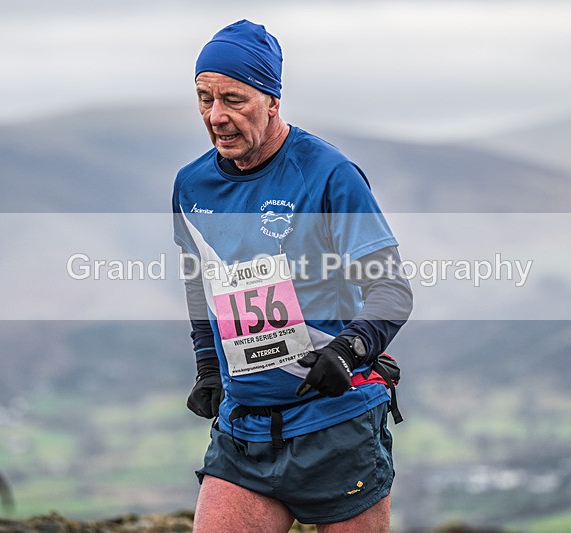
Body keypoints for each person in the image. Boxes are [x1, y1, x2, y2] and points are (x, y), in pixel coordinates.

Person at [172, 19, 413, 532]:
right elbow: (200, 281)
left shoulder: (328, 174)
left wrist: (347, 350)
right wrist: (207, 364)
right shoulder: (191, 185)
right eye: (204, 99)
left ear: (271, 101)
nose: (216, 116)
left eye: (233, 99)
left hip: (335, 422)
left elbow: (391, 289)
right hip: (245, 431)